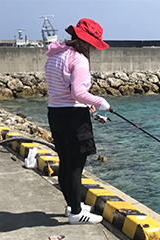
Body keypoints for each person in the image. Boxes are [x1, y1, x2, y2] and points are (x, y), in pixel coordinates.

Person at [45, 18, 111, 224]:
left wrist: (85, 103)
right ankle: (75, 212)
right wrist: (100, 102)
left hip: (55, 113)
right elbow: (78, 92)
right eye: (93, 44)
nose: (93, 48)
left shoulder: (56, 55)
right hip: (74, 119)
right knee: (75, 166)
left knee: (65, 162)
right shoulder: (79, 59)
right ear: (87, 42)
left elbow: (64, 89)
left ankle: (73, 204)